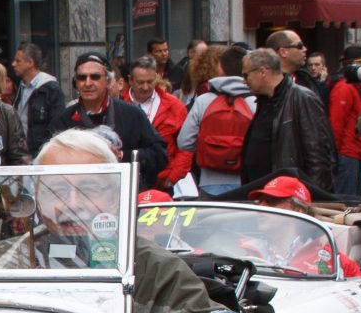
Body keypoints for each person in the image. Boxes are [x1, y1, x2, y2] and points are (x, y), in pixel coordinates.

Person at [36, 132, 255, 313]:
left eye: (88, 190)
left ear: (117, 196)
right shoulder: (3, 259)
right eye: (55, 190)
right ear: (36, 197)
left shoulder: (153, 266)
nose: (70, 204)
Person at [237, 47, 336, 200]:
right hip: (262, 196)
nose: (244, 81)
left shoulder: (302, 98)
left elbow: (318, 157)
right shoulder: (264, 101)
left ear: (262, 71)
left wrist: (314, 200)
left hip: (287, 199)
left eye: (246, 75)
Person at [61, 56, 168, 192]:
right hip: (78, 197)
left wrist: (124, 156)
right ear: (75, 83)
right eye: (82, 78)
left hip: (125, 195)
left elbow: (160, 156)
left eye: (95, 77)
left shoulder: (132, 114)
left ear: (108, 81)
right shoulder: (63, 119)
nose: (88, 83)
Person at [178, 46, 254, 197]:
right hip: (246, 182)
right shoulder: (255, 101)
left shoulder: (203, 100)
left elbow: (184, 142)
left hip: (209, 182)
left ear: (220, 67)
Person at [127, 58, 187, 187]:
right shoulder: (118, 105)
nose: (146, 87)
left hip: (163, 182)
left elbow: (186, 145)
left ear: (157, 77)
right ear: (130, 80)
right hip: (127, 180)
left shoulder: (174, 106)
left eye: (150, 81)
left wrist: (174, 176)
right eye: (140, 82)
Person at [328, 47, 361, 203]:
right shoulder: (345, 87)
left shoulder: (354, 87)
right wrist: (336, 155)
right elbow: (336, 123)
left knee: (353, 199)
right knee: (347, 201)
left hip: (352, 151)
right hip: (346, 153)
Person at [11, 42, 66, 156]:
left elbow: (56, 126)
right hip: (22, 155)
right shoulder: (20, 86)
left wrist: (42, 153)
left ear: (30, 63)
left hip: (40, 155)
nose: (13, 64)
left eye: (18, 61)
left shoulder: (51, 89)